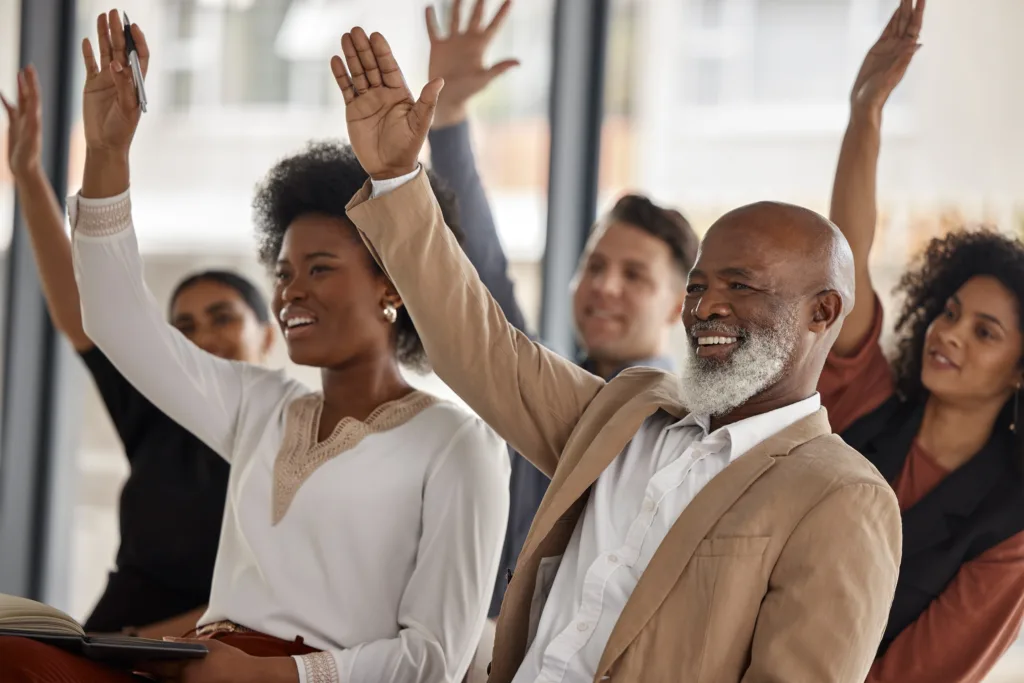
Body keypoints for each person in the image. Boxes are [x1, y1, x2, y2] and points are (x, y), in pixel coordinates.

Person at [333, 27, 902, 682]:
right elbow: (479, 343)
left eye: (740, 286)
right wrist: (397, 178)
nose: (706, 307)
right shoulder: (632, 411)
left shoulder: (841, 495)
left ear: (823, 312)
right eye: (698, 287)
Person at [0, 10, 509, 683]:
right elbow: (116, 320)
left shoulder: (459, 443)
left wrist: (278, 675)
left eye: (319, 268)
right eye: (284, 272)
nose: (291, 291)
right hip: (197, 663)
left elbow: (434, 659)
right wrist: (107, 155)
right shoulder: (261, 404)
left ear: (391, 283)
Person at [424, 0, 699, 619]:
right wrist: (449, 119)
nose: (605, 287)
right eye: (594, 267)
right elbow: (483, 271)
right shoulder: (539, 381)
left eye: (634, 276)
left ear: (678, 307)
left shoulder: (682, 429)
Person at [2, 62, 274, 639]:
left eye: (223, 318)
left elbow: (277, 594)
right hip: (110, 641)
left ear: (268, 334)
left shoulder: (290, 434)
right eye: (184, 326)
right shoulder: (158, 413)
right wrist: (27, 174)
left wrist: (151, 644)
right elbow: (81, 311)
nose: (203, 336)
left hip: (202, 652)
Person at [823, 1, 1024, 681]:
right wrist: (866, 110)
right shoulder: (868, 400)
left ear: (1020, 369)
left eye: (985, 331)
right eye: (952, 311)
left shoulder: (1009, 524)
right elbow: (845, 260)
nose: (950, 332)